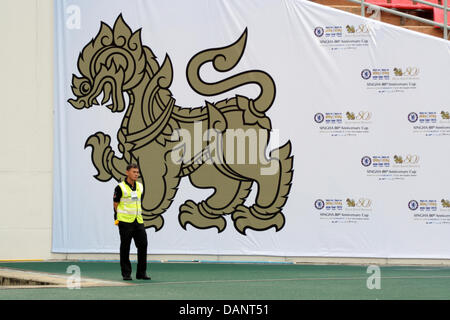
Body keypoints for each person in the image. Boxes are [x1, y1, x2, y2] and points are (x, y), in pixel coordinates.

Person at [113, 163, 151, 281]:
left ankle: (141, 273)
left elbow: (138, 201)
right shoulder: (120, 187)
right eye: (134, 172)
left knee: (143, 245)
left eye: (137, 172)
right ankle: (126, 273)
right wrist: (119, 218)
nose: (136, 174)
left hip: (138, 220)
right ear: (127, 172)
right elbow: (115, 204)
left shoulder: (140, 186)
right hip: (125, 221)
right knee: (125, 247)